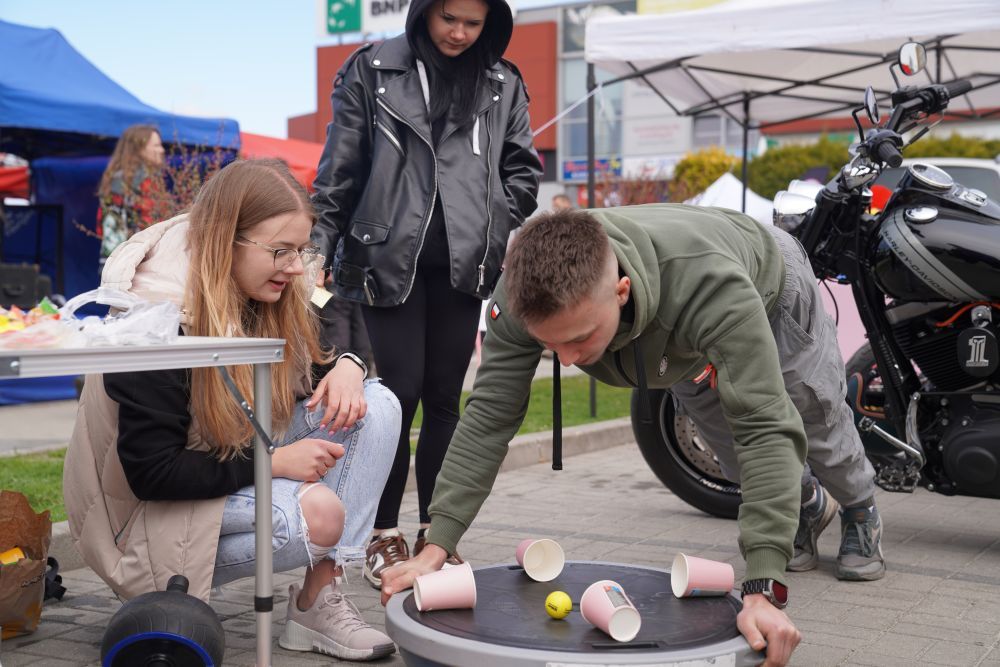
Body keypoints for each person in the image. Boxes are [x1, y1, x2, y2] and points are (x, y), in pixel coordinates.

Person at [382, 204, 889, 667]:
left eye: (580, 338)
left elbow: (764, 426)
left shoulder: (712, 289)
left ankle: (859, 505)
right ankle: (802, 509)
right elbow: (489, 417)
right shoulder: (520, 296)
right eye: (548, 345)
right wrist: (438, 544)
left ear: (620, 290)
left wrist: (763, 586)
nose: (566, 360)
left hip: (766, 285)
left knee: (812, 415)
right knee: (725, 446)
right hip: (673, 328)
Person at [65, 159, 402, 662]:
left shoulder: (264, 288)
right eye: (281, 251)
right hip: (139, 523)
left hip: (221, 469)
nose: (295, 267)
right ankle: (164, 588)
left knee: (376, 404)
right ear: (227, 239)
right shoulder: (154, 319)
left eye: (302, 249)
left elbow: (314, 360)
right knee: (317, 515)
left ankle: (319, 598)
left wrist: (350, 365)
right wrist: (274, 465)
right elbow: (152, 474)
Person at [311, 0, 542, 590]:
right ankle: (381, 534)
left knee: (444, 401)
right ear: (424, 13)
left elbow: (522, 172)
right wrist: (315, 248)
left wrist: (494, 221)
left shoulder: (502, 81)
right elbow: (340, 170)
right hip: (383, 262)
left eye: (473, 22)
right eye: (449, 18)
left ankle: (434, 537)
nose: (460, 33)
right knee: (394, 398)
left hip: (464, 268)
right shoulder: (372, 69)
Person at [96, 124, 168, 259]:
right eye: (156, 145)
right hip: (130, 263)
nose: (162, 150)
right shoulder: (121, 182)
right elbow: (113, 233)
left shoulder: (150, 180)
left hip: (149, 259)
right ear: (138, 149)